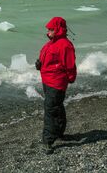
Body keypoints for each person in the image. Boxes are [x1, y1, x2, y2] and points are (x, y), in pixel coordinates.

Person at [35, 17, 77, 154]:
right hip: (47, 80)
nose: (48, 32)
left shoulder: (65, 45)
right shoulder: (51, 43)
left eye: (51, 29)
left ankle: (48, 140)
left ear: (58, 29)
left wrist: (70, 78)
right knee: (56, 107)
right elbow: (46, 56)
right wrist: (39, 63)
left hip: (57, 82)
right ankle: (59, 132)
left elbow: (70, 65)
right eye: (48, 29)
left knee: (50, 110)